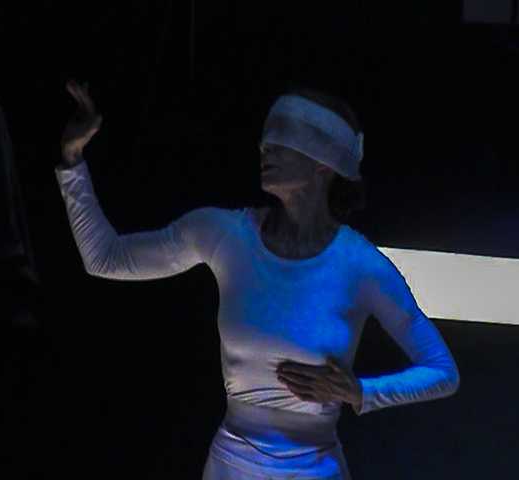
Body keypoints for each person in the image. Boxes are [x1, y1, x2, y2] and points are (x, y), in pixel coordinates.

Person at [56, 79, 460, 479]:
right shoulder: (224, 234)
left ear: (323, 164)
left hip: (315, 468)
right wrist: (73, 160)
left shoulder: (362, 266)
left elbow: (442, 371)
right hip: (232, 465)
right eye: (266, 139)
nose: (264, 148)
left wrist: (359, 393)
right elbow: (105, 257)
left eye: (283, 139)